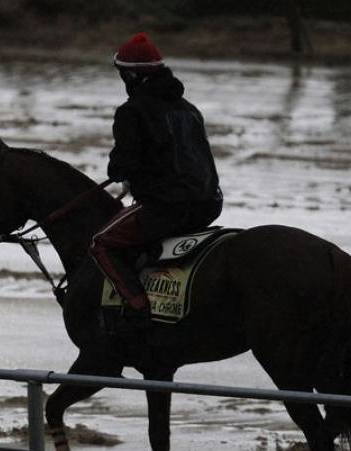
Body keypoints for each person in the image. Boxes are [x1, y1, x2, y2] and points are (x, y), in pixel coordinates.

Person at [89, 32, 223, 332]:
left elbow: (122, 165)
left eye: (123, 74)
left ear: (133, 75)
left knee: (101, 242)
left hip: (168, 208)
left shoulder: (131, 111)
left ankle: (136, 309)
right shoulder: (189, 109)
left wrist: (122, 174)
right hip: (210, 204)